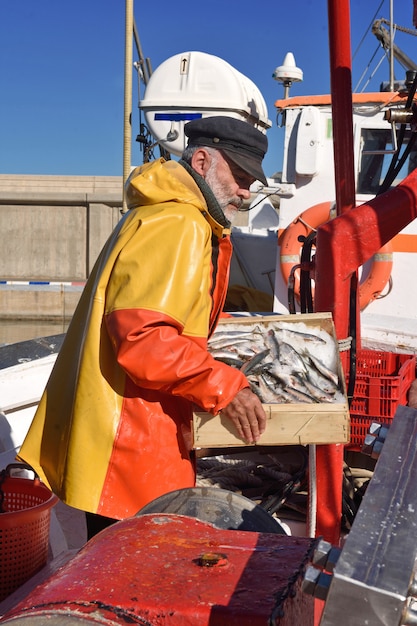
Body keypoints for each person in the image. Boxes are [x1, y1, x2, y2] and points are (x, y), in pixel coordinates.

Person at [18, 116, 268, 538]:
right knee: (130, 577)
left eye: (250, 181)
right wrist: (227, 387)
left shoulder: (158, 214)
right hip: (130, 444)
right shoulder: (179, 223)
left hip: (119, 434)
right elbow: (143, 339)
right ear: (203, 161)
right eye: (240, 176)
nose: (246, 191)